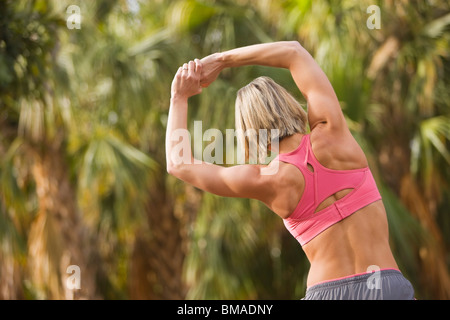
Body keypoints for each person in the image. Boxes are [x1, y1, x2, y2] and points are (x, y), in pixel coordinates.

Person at [166, 41, 415, 300]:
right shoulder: (332, 133)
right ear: (287, 102)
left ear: (248, 131)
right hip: (385, 285)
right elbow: (294, 52)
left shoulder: (265, 180)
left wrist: (179, 97)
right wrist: (222, 59)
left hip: (326, 293)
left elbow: (178, 162)